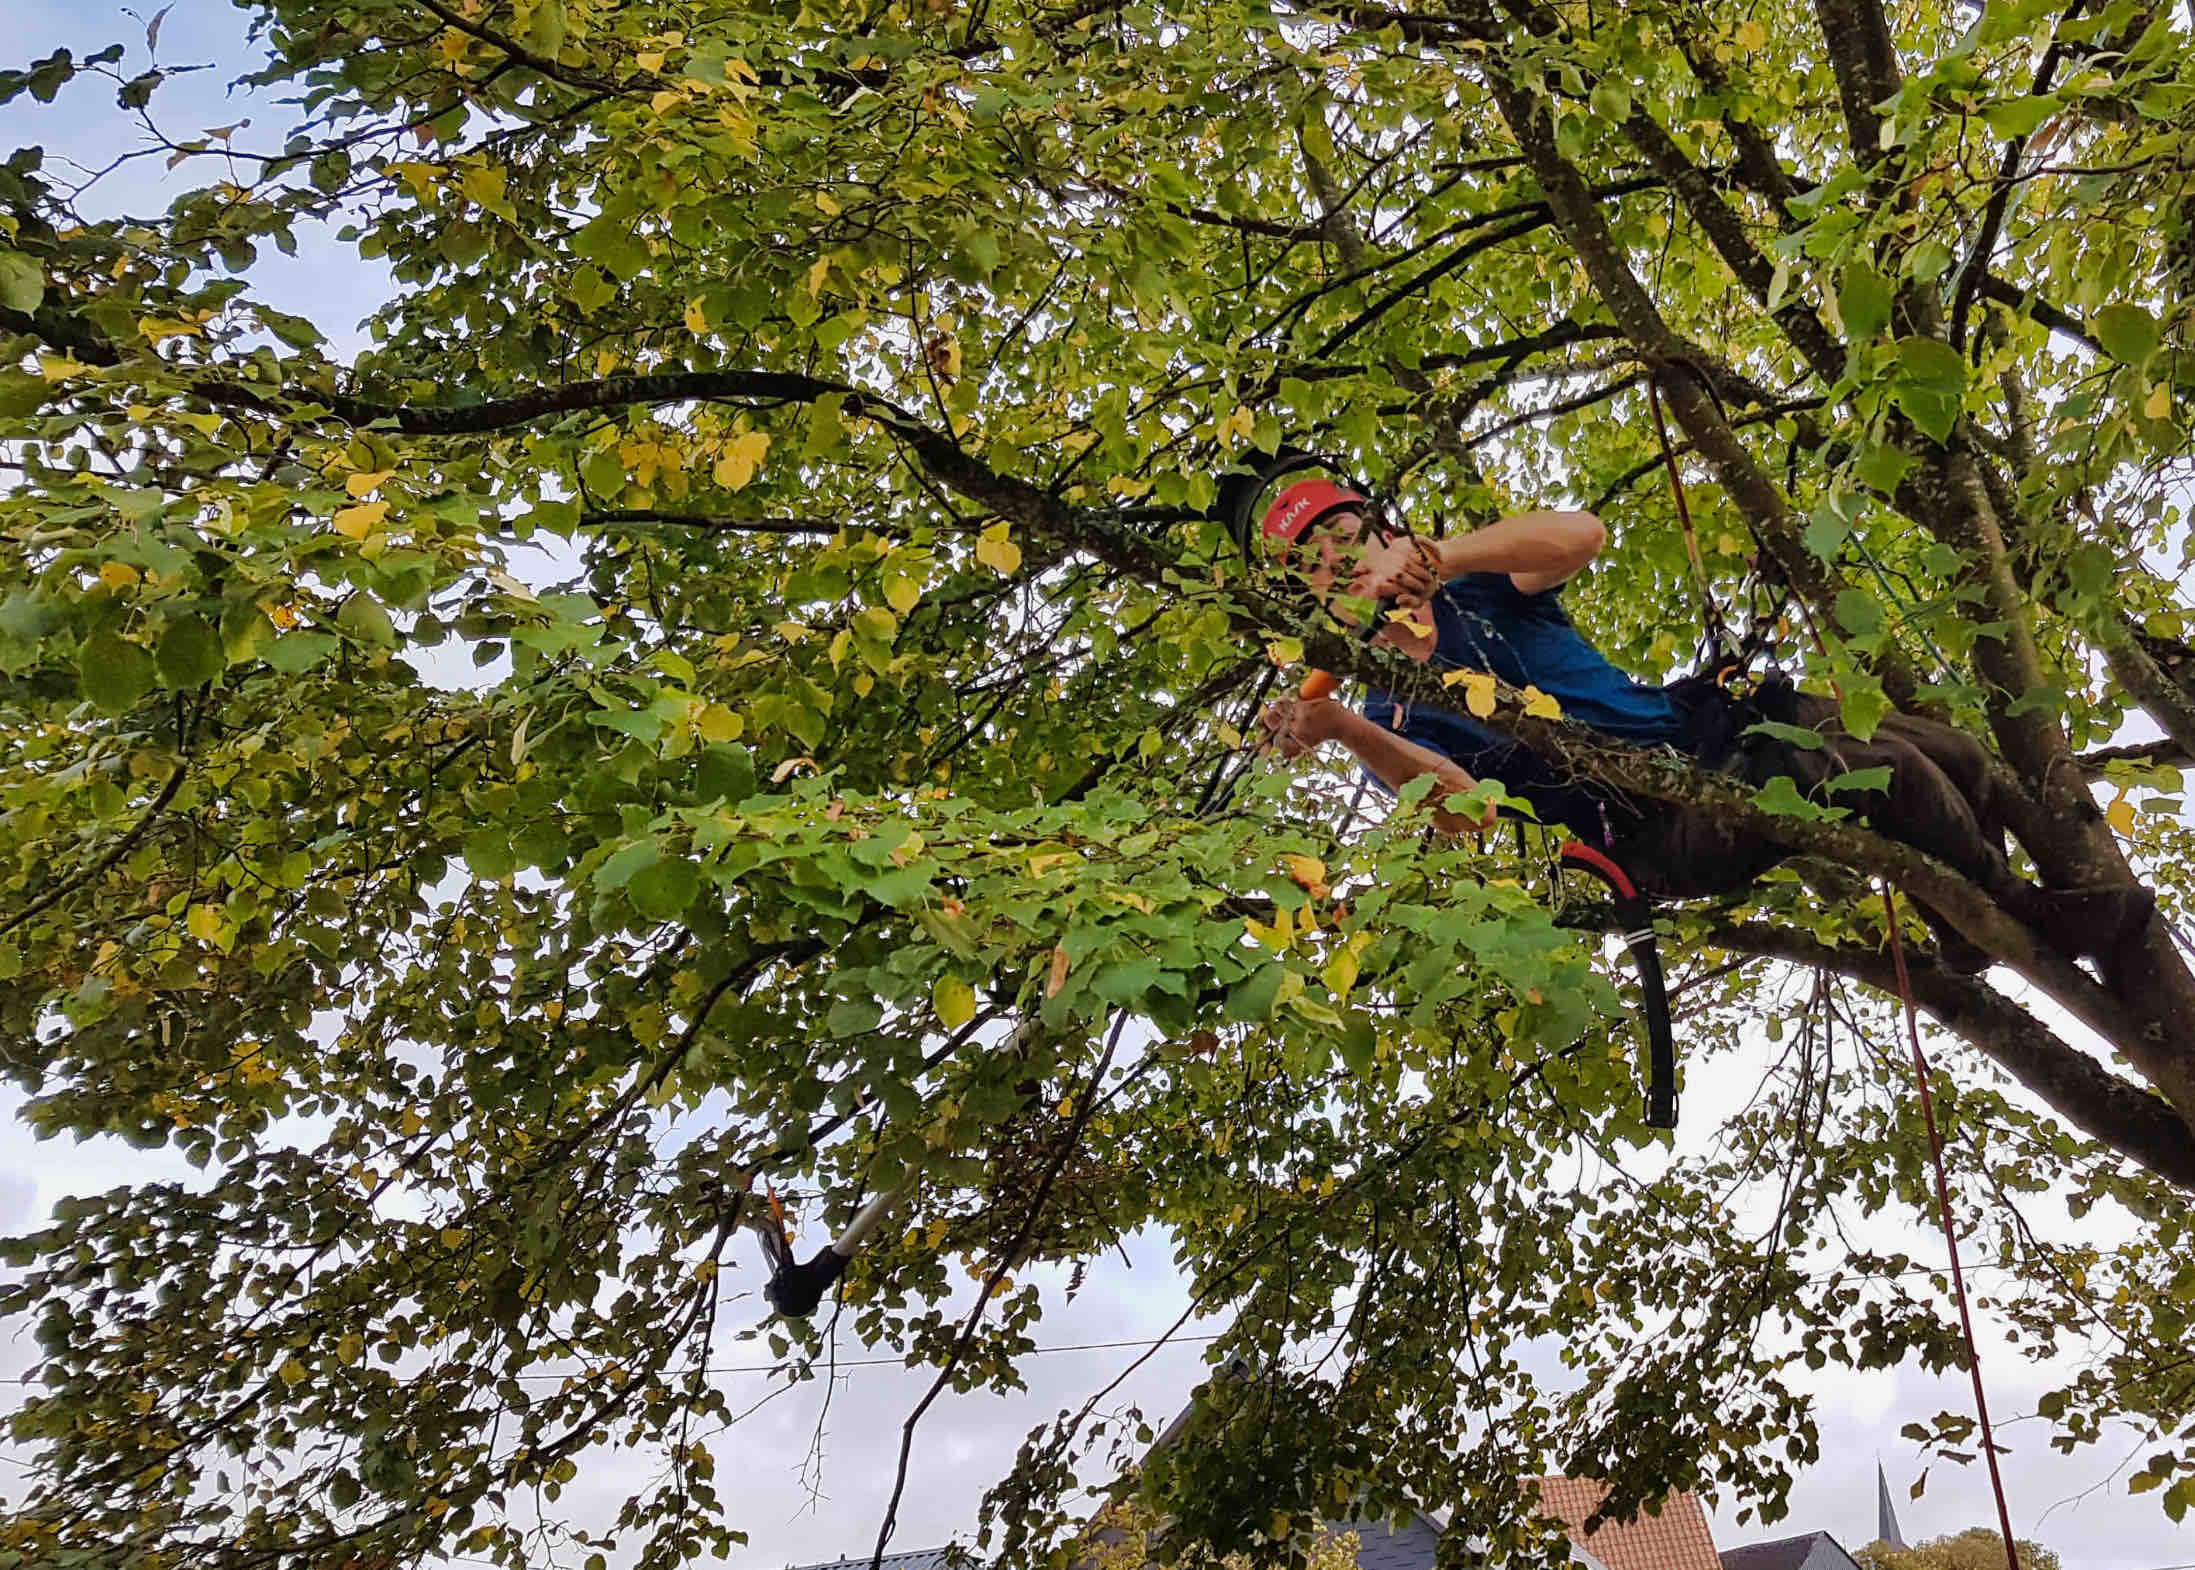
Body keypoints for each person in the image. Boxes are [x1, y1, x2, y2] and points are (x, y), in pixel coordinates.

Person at [1249, 476, 2153, 979]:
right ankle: (2020, 917)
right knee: (1896, 777)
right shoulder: (1385, 713)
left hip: (1700, 724)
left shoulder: (1477, 584)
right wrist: (1336, 726)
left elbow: (1579, 533)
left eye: (1349, 538)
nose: (1341, 564)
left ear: (1384, 533)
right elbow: (1462, 814)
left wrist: (1445, 555)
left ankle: (1961, 921)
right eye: (1317, 566)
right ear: (1315, 595)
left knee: (1947, 749)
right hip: (1651, 822)